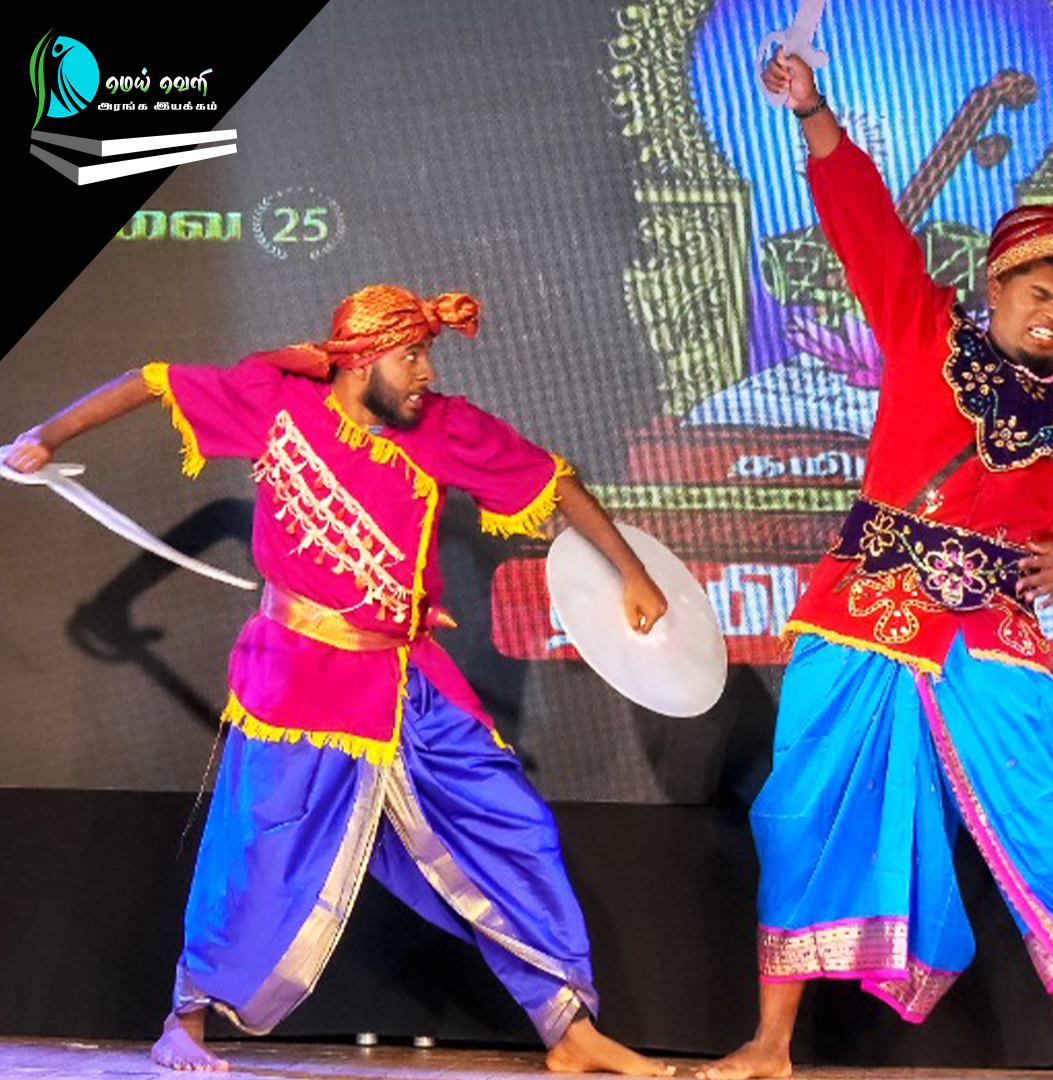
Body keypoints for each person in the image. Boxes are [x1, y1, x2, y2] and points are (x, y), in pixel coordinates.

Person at [4, 285, 676, 1075]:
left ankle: (568, 1029)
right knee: (259, 855)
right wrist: (45, 436)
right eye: (411, 357)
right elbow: (151, 380)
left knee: (514, 828)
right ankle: (185, 1021)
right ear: (361, 362)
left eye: (426, 355)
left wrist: (632, 573)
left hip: (406, 681)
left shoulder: (443, 428)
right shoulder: (277, 405)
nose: (426, 374)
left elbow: (551, 481)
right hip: (296, 684)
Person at [695, 52, 1053, 1080]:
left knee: (1047, 827)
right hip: (864, 615)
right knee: (803, 811)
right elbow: (864, 223)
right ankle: (769, 1046)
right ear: (995, 284)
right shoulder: (921, 327)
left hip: (993, 638)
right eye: (1037, 291)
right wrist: (812, 111)